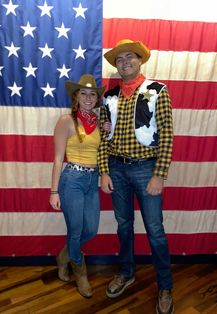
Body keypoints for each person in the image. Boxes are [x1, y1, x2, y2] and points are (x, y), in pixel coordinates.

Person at [98, 39, 174, 314]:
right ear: (116, 65)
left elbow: (166, 133)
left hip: (146, 169)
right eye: (120, 59)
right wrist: (104, 170)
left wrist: (159, 174)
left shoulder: (157, 91)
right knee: (123, 225)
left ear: (140, 60)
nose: (125, 61)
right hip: (116, 168)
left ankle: (164, 287)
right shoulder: (109, 97)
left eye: (130, 57)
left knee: (155, 230)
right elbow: (104, 136)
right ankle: (127, 272)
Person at [49, 74, 107, 298]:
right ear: (76, 96)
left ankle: (64, 256)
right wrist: (54, 191)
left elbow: (103, 152)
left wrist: (107, 131)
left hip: (93, 179)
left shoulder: (100, 124)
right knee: (75, 231)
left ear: (97, 98)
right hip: (72, 179)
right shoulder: (66, 121)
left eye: (93, 93)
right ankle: (80, 273)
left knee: (90, 229)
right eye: (83, 93)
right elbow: (57, 158)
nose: (88, 97)